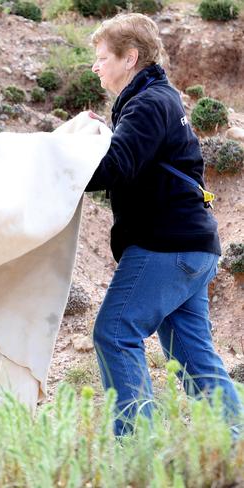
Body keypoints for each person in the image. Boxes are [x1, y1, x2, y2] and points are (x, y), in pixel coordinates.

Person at [85, 13, 241, 436]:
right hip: (193, 247)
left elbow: (115, 167)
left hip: (165, 246)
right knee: (194, 357)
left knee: (115, 333)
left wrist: (59, 166)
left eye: (102, 58)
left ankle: (135, 453)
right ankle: (236, 446)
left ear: (130, 57)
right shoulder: (159, 99)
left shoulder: (148, 102)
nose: (96, 67)